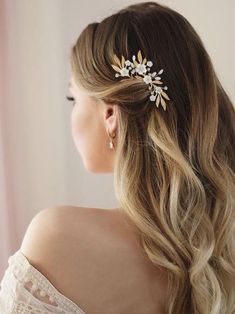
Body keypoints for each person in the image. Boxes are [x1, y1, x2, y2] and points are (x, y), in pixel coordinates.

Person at [0, 1, 234, 313]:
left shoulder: (58, 238)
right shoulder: (221, 245)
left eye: (74, 98)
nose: (72, 112)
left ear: (110, 113)